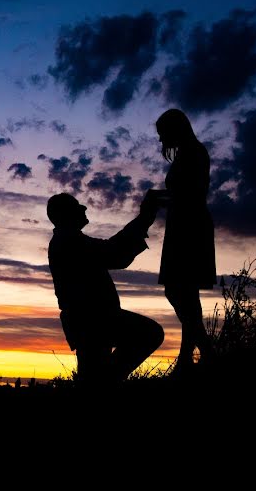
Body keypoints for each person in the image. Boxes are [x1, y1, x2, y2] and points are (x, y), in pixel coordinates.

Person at [47, 192, 164, 386]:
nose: (83, 208)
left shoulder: (70, 240)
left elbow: (115, 253)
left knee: (90, 376)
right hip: (93, 320)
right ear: (65, 214)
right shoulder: (70, 241)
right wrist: (144, 218)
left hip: (89, 321)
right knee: (150, 333)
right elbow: (115, 253)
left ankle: (105, 382)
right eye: (77, 206)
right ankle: (107, 382)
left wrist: (143, 220)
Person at [146, 108, 217, 372]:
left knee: (178, 291)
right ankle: (186, 359)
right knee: (187, 294)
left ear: (174, 129)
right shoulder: (189, 153)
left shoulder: (194, 153)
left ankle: (207, 351)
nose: (160, 139)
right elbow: (182, 195)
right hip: (183, 226)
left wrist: (156, 198)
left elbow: (191, 196)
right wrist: (158, 197)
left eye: (162, 133)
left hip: (190, 227)